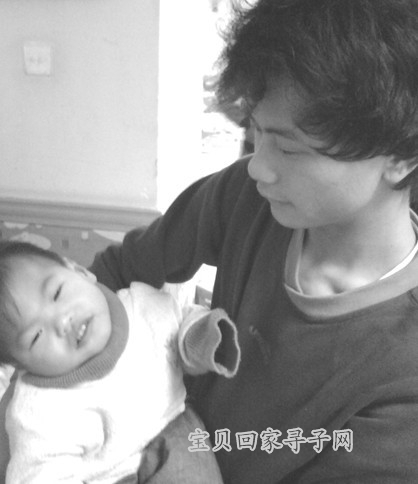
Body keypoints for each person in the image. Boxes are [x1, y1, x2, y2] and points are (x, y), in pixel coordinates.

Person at [89, 0, 418, 482]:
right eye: (256, 131)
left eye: (288, 148)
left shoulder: (403, 365)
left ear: (401, 157)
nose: (260, 166)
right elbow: (117, 272)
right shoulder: (245, 197)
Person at [0, 241, 240, 483]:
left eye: (57, 293)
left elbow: (179, 320)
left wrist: (199, 337)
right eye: (36, 336)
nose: (63, 322)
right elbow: (36, 475)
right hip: (112, 476)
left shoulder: (142, 306)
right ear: (21, 366)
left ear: (80, 271)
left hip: (177, 427)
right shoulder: (39, 412)